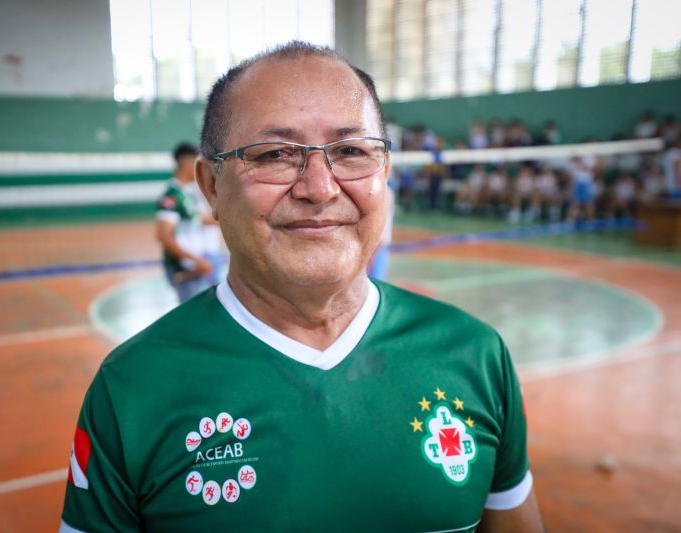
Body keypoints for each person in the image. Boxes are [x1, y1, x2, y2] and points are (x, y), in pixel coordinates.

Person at [60, 41, 543, 532]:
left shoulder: (476, 356)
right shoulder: (133, 389)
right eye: (274, 155)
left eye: (352, 151)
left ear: (385, 173)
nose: (320, 188)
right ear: (211, 187)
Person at [155, 142, 216, 303]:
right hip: (186, 268)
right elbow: (164, 236)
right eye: (197, 163)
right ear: (186, 163)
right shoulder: (172, 196)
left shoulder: (188, 192)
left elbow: (203, 220)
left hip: (198, 264)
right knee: (197, 317)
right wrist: (196, 260)